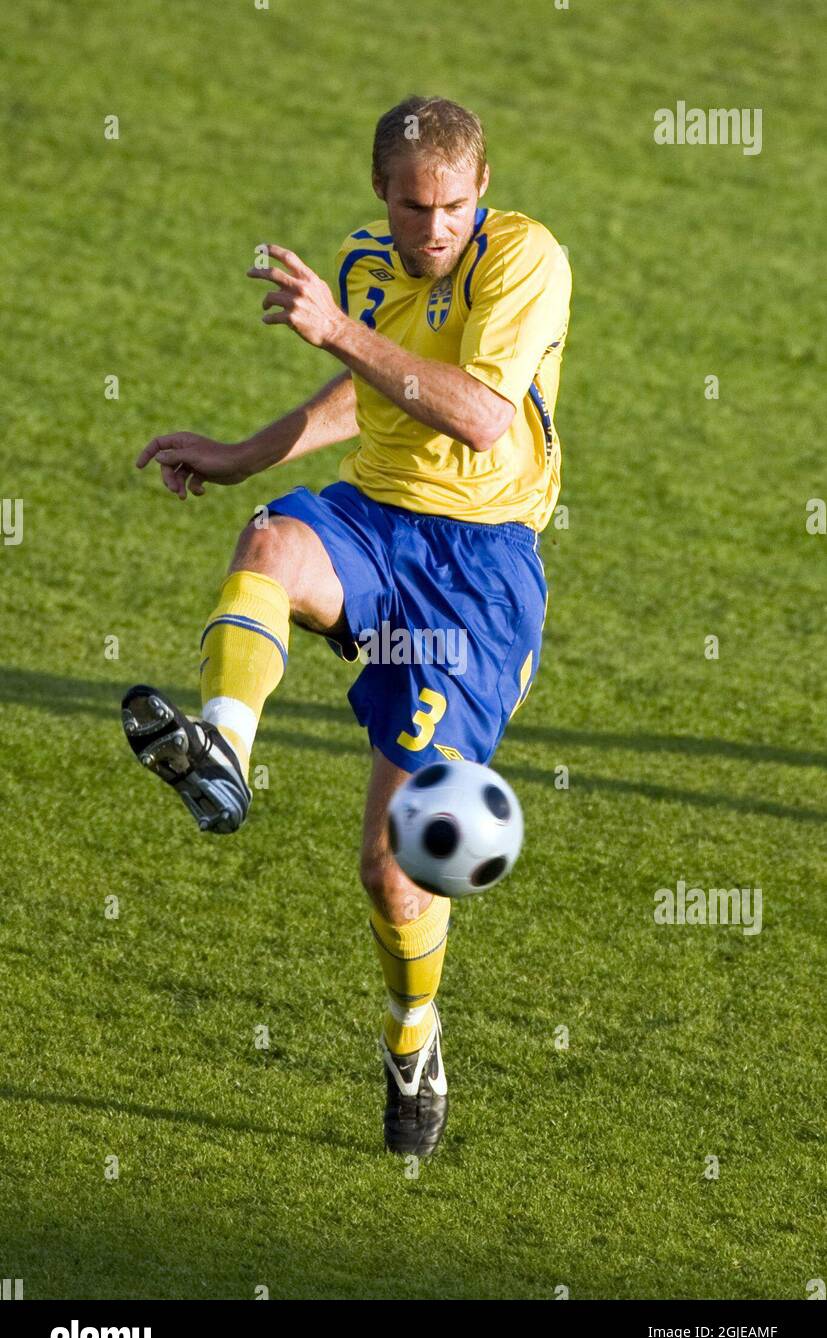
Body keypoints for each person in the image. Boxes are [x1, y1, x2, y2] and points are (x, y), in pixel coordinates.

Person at [122, 94, 572, 1159]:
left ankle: (412, 1034)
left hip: (477, 570)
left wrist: (337, 328)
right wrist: (241, 452)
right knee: (269, 542)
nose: (432, 230)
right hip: (375, 519)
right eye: (412, 206)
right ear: (381, 193)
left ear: (482, 189)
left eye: (451, 206)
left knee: (392, 869)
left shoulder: (521, 260)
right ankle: (223, 751)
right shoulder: (365, 260)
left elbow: (474, 414)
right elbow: (364, 388)